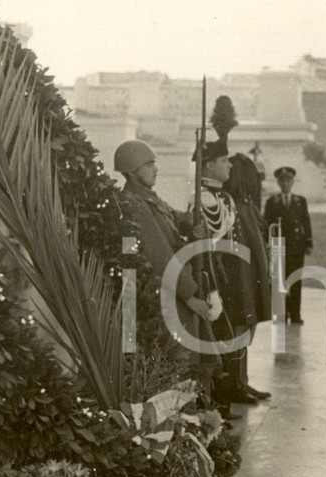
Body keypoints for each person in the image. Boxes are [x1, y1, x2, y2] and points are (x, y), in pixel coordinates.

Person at [115, 140, 234, 417]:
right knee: (179, 366)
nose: (155, 169)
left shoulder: (149, 198)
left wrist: (192, 219)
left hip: (172, 292)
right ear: (132, 172)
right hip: (166, 297)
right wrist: (190, 295)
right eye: (148, 165)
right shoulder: (134, 204)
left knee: (188, 363)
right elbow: (160, 255)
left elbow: (174, 218)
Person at [223, 152, 273, 401]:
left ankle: (241, 381)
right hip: (239, 279)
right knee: (238, 331)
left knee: (244, 331)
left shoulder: (244, 205)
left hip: (249, 276)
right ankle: (235, 384)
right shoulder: (235, 206)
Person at [264, 167, 313, 325]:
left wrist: (309, 242)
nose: (285, 183)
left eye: (288, 180)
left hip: (296, 248)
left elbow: (306, 222)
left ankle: (296, 314)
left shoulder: (300, 201)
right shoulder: (272, 202)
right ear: (278, 182)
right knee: (279, 282)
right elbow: (266, 225)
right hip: (279, 247)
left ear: (293, 182)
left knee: (296, 281)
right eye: (282, 180)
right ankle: (281, 314)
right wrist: (268, 244)